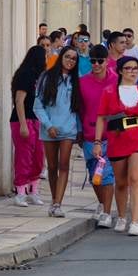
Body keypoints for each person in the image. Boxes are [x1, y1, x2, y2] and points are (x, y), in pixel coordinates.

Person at [95, 56, 138, 236]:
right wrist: (97, 142)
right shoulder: (109, 91)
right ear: (121, 71)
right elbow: (101, 118)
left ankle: (135, 222)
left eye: (135, 68)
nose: (132, 71)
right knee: (121, 182)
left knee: (135, 179)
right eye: (128, 68)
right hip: (117, 138)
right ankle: (122, 216)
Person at [33, 46, 83, 216]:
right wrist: (48, 125)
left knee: (64, 165)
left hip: (68, 130)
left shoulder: (77, 80)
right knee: (52, 166)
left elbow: (78, 109)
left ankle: (58, 203)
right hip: (49, 129)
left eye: (74, 58)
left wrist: (80, 131)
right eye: (67, 56)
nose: (70, 61)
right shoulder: (47, 77)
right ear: (61, 57)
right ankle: (54, 200)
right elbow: (38, 105)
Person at [80, 45, 119, 227]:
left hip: (111, 135)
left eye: (100, 61)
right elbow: (79, 109)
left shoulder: (116, 80)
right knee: (94, 176)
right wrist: (79, 131)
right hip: (89, 133)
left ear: (107, 61)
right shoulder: (83, 82)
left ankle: (106, 213)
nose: (96, 64)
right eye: (93, 61)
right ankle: (103, 204)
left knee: (107, 175)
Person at [10, 46, 48, 207]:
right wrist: (23, 125)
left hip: (37, 119)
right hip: (23, 120)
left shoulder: (41, 76)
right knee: (24, 157)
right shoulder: (25, 75)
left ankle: (33, 191)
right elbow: (19, 101)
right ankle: (20, 192)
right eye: (45, 56)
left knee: (38, 157)